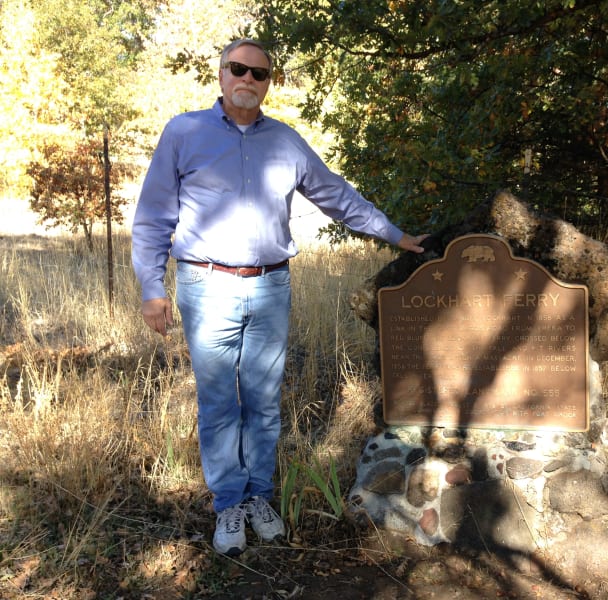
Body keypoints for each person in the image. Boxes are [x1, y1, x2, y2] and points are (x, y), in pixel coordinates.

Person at [131, 38, 428, 556]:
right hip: (206, 286)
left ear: (269, 83)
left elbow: (336, 196)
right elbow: (153, 217)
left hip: (270, 285)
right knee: (220, 403)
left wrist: (396, 235)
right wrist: (152, 289)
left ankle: (260, 498)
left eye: (259, 73)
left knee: (265, 403)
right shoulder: (184, 133)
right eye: (238, 69)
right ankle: (229, 506)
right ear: (221, 75)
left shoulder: (287, 142)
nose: (248, 79)